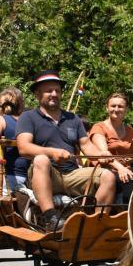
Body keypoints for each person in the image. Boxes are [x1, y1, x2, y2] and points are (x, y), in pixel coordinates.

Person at [16, 70, 116, 231]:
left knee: (108, 176)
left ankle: (96, 223)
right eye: (49, 90)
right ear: (37, 94)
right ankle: (50, 218)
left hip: (72, 174)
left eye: (57, 90)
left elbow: (86, 146)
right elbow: (23, 147)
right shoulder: (28, 117)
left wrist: (101, 154)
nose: (54, 94)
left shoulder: (73, 119)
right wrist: (52, 153)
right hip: (45, 174)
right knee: (41, 159)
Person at [89, 92, 133, 204]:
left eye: (120, 106)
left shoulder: (130, 130)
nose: (116, 109)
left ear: (126, 110)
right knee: (127, 178)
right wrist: (121, 168)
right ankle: (129, 213)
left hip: (127, 169)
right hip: (107, 172)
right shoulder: (99, 128)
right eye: (113, 106)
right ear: (107, 108)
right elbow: (104, 154)